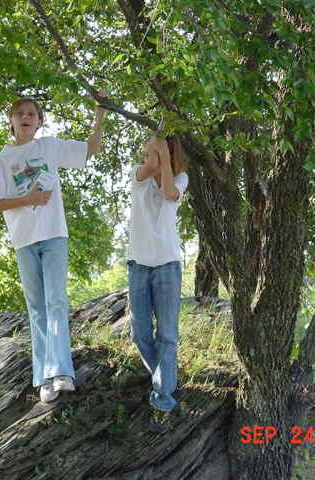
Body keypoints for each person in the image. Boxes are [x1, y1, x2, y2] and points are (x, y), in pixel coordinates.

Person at [0, 95, 108, 402]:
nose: (26, 117)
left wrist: (100, 116)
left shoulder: (50, 147)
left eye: (32, 114)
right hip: (24, 240)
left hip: (54, 234)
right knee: (37, 309)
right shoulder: (1, 160)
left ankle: (63, 371)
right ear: (11, 120)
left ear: (39, 122)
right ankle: (43, 378)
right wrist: (28, 199)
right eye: (20, 113)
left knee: (57, 301)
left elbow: (91, 149)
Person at [127, 134, 188, 432]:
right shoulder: (135, 175)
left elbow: (167, 193)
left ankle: (162, 399)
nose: (150, 150)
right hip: (138, 264)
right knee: (139, 333)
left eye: (159, 147)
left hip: (167, 264)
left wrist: (165, 155)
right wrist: (156, 155)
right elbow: (147, 169)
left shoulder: (181, 179)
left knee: (167, 335)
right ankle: (166, 375)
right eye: (148, 145)